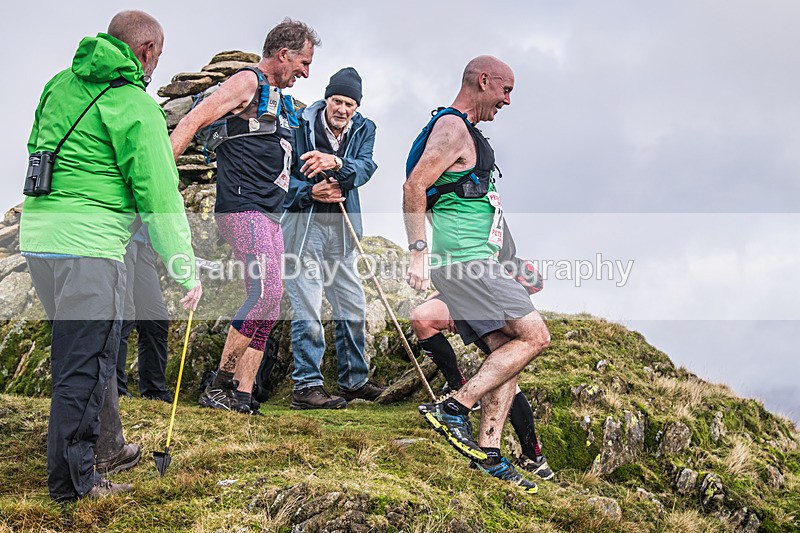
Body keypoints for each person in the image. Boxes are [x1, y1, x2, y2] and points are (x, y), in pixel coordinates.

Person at [21, 10, 202, 500]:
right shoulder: (135, 105)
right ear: (145, 51)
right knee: (84, 365)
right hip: (90, 247)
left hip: (39, 240)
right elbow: (160, 196)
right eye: (157, 57)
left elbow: (40, 149)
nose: (156, 67)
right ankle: (73, 486)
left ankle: (107, 447)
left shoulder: (59, 84)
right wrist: (184, 268)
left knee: (83, 355)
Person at [403, 55, 551, 493]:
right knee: (536, 336)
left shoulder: (464, 132)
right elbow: (414, 187)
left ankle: (489, 452)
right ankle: (454, 408)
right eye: (505, 90)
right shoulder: (452, 127)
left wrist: (509, 257)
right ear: (483, 80)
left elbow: (470, 203)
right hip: (467, 263)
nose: (507, 101)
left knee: (507, 352)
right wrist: (417, 253)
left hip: (477, 260)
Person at [171, 18, 320, 415]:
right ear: (283, 54)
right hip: (242, 207)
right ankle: (219, 385)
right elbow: (193, 120)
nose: (306, 71)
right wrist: (164, 177)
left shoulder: (277, 98)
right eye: (304, 62)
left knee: (272, 302)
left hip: (268, 213)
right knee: (266, 294)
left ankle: (242, 392)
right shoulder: (247, 81)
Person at [282, 67, 385, 409]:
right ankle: (306, 387)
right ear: (327, 98)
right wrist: (311, 191)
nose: (343, 109)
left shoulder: (364, 128)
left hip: (342, 232)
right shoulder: (298, 125)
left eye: (350, 104)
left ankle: (354, 381)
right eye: (338, 101)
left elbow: (365, 167)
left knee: (353, 304)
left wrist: (337, 162)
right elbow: (278, 180)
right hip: (303, 230)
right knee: (307, 306)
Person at [411, 294, 554, 481]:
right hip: (466, 296)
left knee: (502, 374)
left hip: (492, 302)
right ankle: (459, 388)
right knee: (422, 317)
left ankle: (533, 456)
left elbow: (502, 269)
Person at [116, 225, 173, 403]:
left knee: (155, 319)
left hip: (143, 244)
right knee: (123, 316)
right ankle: (114, 390)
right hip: (119, 240)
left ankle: (154, 392)